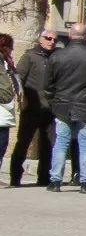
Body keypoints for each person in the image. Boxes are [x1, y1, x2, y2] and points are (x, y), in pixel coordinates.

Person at [40, 23, 86, 193]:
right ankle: (85, 183)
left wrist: (54, 102)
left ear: (70, 35)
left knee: (61, 142)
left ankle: (55, 181)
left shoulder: (57, 56)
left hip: (62, 105)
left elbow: (47, 85)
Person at [9, 28, 57, 187]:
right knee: (23, 142)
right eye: (48, 38)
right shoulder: (30, 56)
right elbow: (19, 79)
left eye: (54, 40)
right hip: (32, 108)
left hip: (50, 109)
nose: (52, 42)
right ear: (40, 39)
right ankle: (15, 177)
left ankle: (44, 177)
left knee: (48, 145)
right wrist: (22, 100)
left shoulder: (56, 57)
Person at [0, 34, 18, 166]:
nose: (12, 50)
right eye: (11, 47)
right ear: (5, 47)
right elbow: (5, 89)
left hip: (4, 113)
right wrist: (6, 98)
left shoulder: (7, 63)